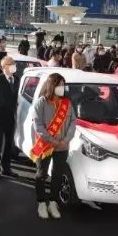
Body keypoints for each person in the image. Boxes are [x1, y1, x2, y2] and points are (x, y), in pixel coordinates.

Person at [30, 73, 76, 219]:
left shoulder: (67, 103)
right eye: (59, 85)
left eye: (63, 85)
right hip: (45, 145)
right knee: (41, 174)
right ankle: (41, 203)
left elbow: (73, 122)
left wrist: (66, 140)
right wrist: (52, 140)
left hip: (62, 146)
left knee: (57, 174)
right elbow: (38, 125)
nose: (62, 88)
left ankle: (53, 202)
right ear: (52, 86)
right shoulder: (41, 103)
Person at [0, 56, 20, 179]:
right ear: (4, 67)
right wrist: (0, 105)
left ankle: (6, 168)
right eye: (11, 63)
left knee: (8, 144)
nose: (13, 65)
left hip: (11, 116)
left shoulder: (17, 79)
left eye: (14, 63)